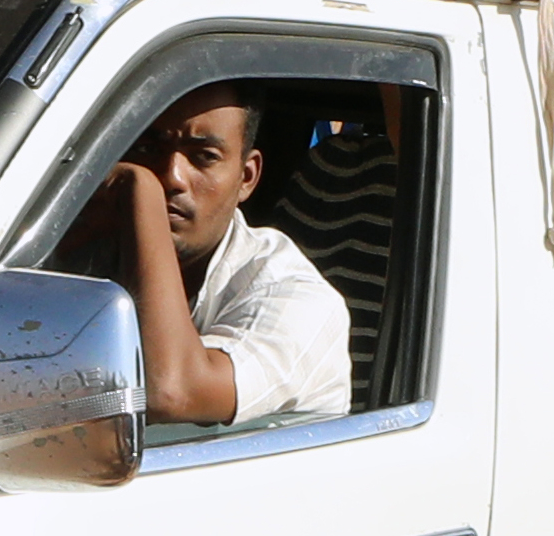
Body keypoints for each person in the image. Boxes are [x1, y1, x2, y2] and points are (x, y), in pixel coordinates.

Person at [59, 82, 347, 431]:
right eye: (147, 148)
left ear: (247, 177)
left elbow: (170, 391)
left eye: (203, 157)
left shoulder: (297, 298)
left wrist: (139, 187)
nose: (172, 177)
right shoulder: (88, 252)